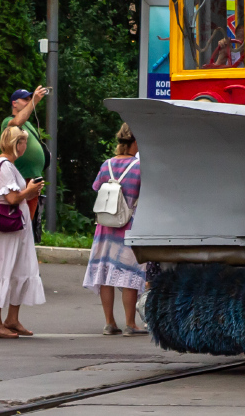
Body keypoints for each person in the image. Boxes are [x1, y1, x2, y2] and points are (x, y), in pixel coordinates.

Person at [0, 126, 46, 337]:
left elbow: (14, 195)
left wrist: (29, 192)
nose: (25, 146)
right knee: (0, 268)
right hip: (5, 225)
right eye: (23, 142)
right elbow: (11, 198)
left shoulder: (9, 166)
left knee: (18, 267)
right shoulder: (3, 165)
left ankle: (12, 318)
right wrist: (29, 191)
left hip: (16, 225)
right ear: (16, 144)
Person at [84, 124, 149, 335]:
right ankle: (131, 323)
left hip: (105, 226)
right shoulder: (140, 167)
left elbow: (97, 187)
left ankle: (109, 322)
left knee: (106, 274)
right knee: (128, 275)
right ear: (135, 142)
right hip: (128, 225)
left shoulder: (106, 165)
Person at [4, 87, 49, 239]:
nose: (29, 102)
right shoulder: (8, 121)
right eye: (25, 99)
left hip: (33, 177)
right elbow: (16, 122)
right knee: (20, 220)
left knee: (28, 221)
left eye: (30, 99)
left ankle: (25, 249)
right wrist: (35, 101)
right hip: (21, 176)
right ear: (14, 103)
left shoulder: (28, 123)